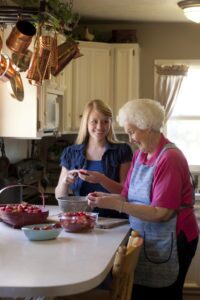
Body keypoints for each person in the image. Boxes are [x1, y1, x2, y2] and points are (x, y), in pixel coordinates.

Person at [87, 98, 199, 300]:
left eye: (132, 132)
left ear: (147, 127)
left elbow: (161, 213)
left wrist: (117, 205)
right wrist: (104, 197)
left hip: (173, 238)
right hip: (148, 237)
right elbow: (127, 195)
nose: (130, 139)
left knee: (164, 295)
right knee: (142, 293)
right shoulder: (140, 155)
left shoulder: (170, 159)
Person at [55, 99, 133, 218]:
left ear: (110, 123)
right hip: (81, 219)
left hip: (115, 221)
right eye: (94, 122)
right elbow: (59, 195)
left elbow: (126, 193)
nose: (100, 127)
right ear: (86, 123)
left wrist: (101, 179)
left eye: (105, 121)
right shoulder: (71, 153)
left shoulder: (122, 151)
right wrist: (65, 181)